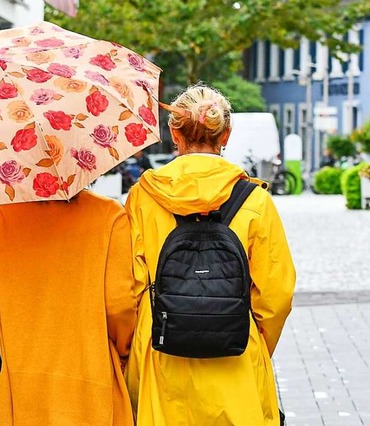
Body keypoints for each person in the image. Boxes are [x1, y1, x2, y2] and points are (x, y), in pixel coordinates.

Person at [124, 83, 296, 425]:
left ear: (174, 132)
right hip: (235, 356)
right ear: (226, 134)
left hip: (161, 354)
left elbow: (127, 287)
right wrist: (255, 344)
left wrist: (130, 349)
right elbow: (277, 295)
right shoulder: (254, 200)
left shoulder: (144, 195)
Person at [0, 189, 138, 426]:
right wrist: (124, 350)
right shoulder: (110, 215)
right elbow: (119, 306)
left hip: (19, 380)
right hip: (88, 379)